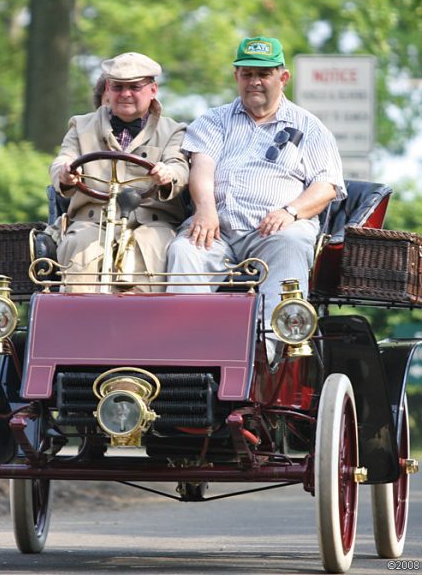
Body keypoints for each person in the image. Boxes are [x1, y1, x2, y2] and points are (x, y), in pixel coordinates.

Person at [166, 37, 346, 363]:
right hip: (217, 226)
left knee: (290, 241)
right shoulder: (214, 119)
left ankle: (269, 354)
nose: (255, 82)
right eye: (247, 74)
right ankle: (184, 356)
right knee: (183, 250)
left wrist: (291, 212)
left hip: (274, 230)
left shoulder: (310, 127)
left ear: (283, 77)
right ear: (236, 76)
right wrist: (206, 209)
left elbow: (327, 186)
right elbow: (202, 167)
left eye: (264, 74)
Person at [50, 52, 190, 292]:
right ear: (108, 88)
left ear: (153, 90)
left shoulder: (172, 130)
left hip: (150, 222)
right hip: (92, 221)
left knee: (153, 248)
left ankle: (144, 324)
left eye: (135, 87)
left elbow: (179, 167)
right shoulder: (81, 125)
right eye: (118, 87)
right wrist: (64, 174)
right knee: (80, 249)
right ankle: (79, 320)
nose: (125, 94)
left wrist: (167, 175)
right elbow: (64, 159)